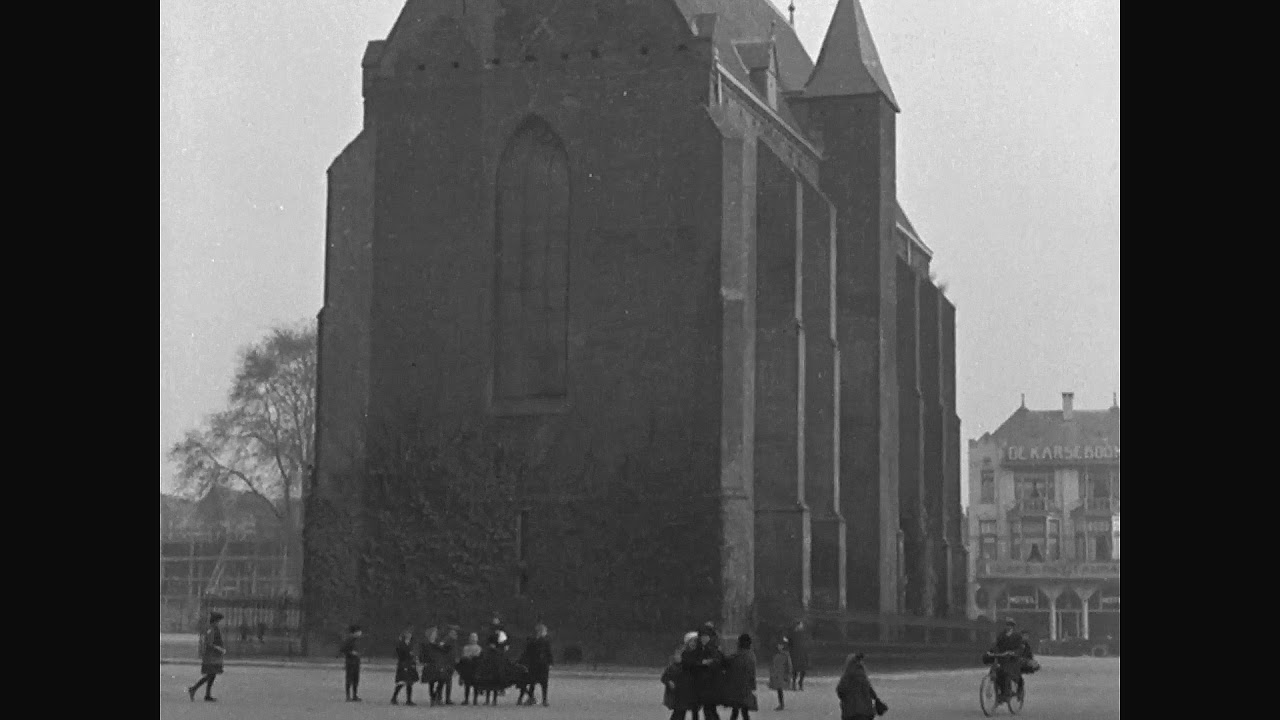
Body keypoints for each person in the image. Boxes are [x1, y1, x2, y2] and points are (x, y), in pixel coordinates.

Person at [682, 623, 726, 720]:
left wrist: (705, 663)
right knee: (708, 710)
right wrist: (702, 663)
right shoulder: (700, 649)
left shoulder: (713, 649)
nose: (703, 639)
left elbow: (717, 663)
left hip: (710, 685)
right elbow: (691, 663)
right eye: (702, 637)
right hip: (702, 685)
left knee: (709, 710)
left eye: (706, 637)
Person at [188, 612, 226, 702]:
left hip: (214, 655)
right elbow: (209, 643)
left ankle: (207, 694)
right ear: (215, 621)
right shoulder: (211, 629)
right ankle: (194, 688)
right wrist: (219, 649)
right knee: (210, 674)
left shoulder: (214, 628)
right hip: (211, 655)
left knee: (212, 675)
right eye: (218, 621)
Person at [990, 619, 1032, 701]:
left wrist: (1013, 652)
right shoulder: (1001, 635)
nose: (1008, 627)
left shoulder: (1017, 636)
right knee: (996, 672)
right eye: (1007, 625)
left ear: (1013, 627)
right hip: (1003, 658)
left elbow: (1020, 648)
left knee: (1011, 673)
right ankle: (1000, 693)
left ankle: (1016, 690)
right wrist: (993, 652)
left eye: (1010, 625)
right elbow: (997, 645)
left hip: (1013, 659)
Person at [835, 653, 884, 720]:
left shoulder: (846, 677)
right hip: (866, 713)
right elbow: (871, 692)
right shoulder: (863, 676)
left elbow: (840, 692)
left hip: (850, 713)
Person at [662, 633, 699, 720]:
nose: (694, 643)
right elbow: (666, 676)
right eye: (692, 641)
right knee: (680, 712)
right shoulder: (680, 656)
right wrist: (669, 682)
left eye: (696, 641)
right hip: (681, 690)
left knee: (694, 712)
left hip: (694, 689)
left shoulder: (700, 654)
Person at [723, 633, 759, 720]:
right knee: (744, 710)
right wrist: (753, 686)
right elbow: (752, 673)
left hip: (736, 686)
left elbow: (728, 664)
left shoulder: (737, 655)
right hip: (746, 686)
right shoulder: (751, 655)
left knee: (735, 710)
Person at [519, 623, 554, 706]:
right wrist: (550, 662)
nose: (545, 633)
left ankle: (541, 699)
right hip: (537, 664)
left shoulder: (540, 641)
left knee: (537, 683)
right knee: (536, 683)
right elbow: (548, 653)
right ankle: (538, 699)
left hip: (539, 664)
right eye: (545, 631)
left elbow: (548, 652)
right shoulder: (536, 641)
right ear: (541, 632)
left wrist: (550, 662)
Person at [391, 625, 419, 706]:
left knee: (410, 682)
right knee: (401, 682)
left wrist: (414, 657)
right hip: (403, 664)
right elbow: (398, 653)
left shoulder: (413, 643)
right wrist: (407, 654)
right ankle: (394, 698)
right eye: (407, 633)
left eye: (410, 633)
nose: (409, 635)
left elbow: (416, 652)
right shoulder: (400, 643)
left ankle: (409, 700)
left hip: (411, 664)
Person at [338, 624, 363, 702]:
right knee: (349, 679)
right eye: (359, 631)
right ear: (355, 632)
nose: (360, 633)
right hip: (350, 662)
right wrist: (351, 652)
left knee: (356, 679)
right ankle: (348, 696)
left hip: (356, 662)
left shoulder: (356, 640)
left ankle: (354, 695)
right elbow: (343, 649)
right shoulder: (349, 639)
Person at [457, 632, 483, 705]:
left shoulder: (479, 648)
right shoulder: (466, 647)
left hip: (475, 668)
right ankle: (466, 699)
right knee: (467, 685)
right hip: (467, 669)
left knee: (476, 685)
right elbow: (464, 656)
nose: (473, 639)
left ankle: (475, 699)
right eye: (472, 637)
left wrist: (471, 656)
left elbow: (478, 656)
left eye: (474, 637)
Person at [768, 640, 793, 711]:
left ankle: (781, 704)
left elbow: (789, 665)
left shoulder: (785, 655)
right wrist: (772, 673)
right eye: (778, 645)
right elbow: (773, 664)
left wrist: (787, 674)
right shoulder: (776, 654)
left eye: (781, 645)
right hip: (776, 674)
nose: (779, 646)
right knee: (778, 689)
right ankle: (781, 704)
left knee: (779, 689)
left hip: (782, 674)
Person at [785, 620, 810, 691]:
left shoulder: (803, 634)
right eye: (800, 625)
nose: (801, 626)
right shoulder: (793, 633)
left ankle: (799, 683)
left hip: (801, 653)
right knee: (796, 669)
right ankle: (795, 684)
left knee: (801, 669)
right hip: (796, 653)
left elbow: (807, 642)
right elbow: (787, 641)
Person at [440, 626, 460, 705]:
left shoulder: (453, 641)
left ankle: (445, 698)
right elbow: (442, 649)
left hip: (450, 663)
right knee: (444, 681)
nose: (455, 635)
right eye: (454, 633)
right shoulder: (447, 640)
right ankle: (442, 698)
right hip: (446, 663)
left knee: (447, 681)